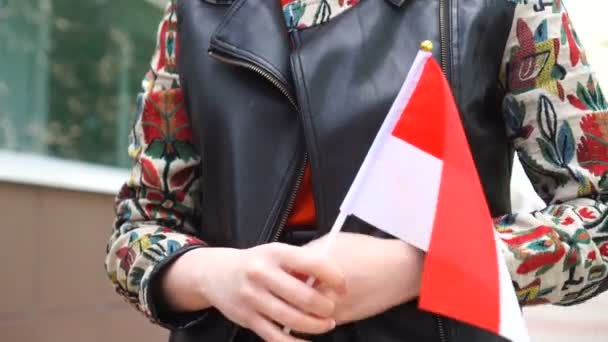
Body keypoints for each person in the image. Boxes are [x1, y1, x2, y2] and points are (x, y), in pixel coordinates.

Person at [105, 0, 608, 341]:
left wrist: (420, 268)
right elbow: (139, 229)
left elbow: (599, 214)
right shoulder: (193, 12)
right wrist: (215, 274)